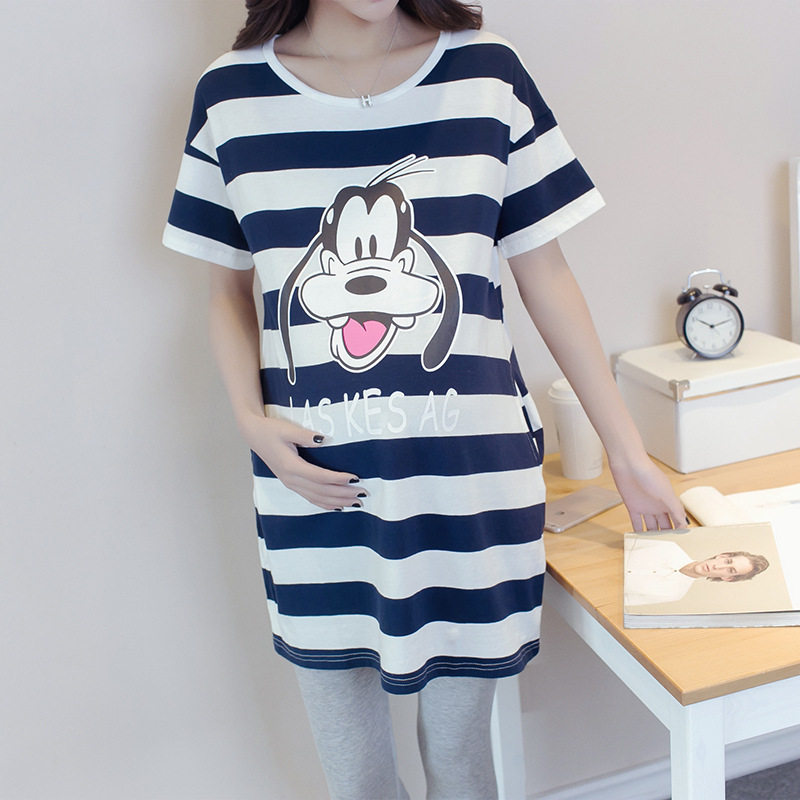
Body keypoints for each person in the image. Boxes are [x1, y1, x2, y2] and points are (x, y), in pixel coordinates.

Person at [163, 1, 686, 797]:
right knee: (357, 780)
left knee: (461, 764)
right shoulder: (232, 96)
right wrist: (249, 421)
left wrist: (627, 452)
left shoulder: (487, 74)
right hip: (315, 498)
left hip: (468, 492)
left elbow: (546, 274)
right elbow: (227, 290)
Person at [624, 538, 769, 607]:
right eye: (727, 561)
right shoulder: (669, 548)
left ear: (728, 578)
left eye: (730, 570)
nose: (718, 567)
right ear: (722, 556)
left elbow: (622, 602)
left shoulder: (674, 594)